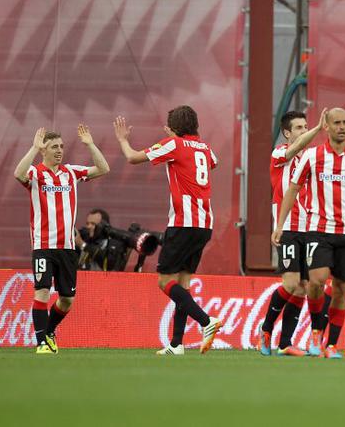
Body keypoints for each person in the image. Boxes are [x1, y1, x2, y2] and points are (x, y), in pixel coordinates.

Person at [272, 107, 345, 359]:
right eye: (337, 122)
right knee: (316, 281)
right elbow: (292, 189)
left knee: (341, 289)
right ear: (327, 126)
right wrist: (280, 224)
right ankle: (315, 330)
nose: (342, 127)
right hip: (318, 231)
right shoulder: (312, 156)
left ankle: (331, 344)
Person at [114, 106, 223, 355]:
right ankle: (176, 344)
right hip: (204, 224)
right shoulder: (205, 148)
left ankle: (207, 322)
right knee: (182, 284)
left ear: (173, 128)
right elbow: (213, 163)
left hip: (183, 223)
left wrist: (122, 140)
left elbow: (132, 157)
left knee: (164, 280)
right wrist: (176, 137)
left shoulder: (174, 145)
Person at [14, 125, 110, 354]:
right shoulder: (36, 174)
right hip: (43, 246)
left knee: (67, 299)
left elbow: (103, 168)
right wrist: (33, 147)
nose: (59, 150)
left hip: (67, 248)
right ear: (43, 150)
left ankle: (48, 332)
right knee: (43, 292)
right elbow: (18, 174)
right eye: (53, 147)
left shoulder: (71, 172)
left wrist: (89, 144)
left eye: (61, 146)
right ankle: (41, 344)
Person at [257, 109, 326, 356]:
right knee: (292, 282)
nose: (304, 131)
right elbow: (294, 149)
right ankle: (264, 331)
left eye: (306, 126)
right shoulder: (279, 154)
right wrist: (318, 130)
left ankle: (285, 343)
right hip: (287, 228)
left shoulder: (313, 157)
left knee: (306, 286)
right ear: (286, 133)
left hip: (312, 228)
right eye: (299, 128)